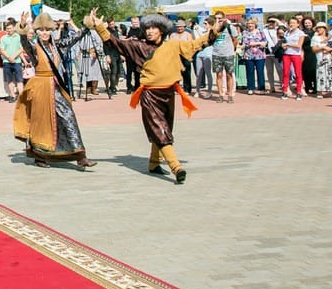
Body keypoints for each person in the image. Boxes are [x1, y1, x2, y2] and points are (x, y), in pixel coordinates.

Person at [90, 10, 217, 183]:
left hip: (168, 93)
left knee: (165, 129)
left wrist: (214, 31)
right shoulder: (137, 46)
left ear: (161, 30)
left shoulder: (173, 45)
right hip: (150, 94)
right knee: (160, 129)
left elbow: (194, 45)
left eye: (153, 28)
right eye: (147, 28)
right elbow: (115, 43)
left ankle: (154, 163)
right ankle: (176, 167)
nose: (149, 31)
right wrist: (99, 26)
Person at [12, 11, 95, 169]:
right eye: (41, 30)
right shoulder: (34, 48)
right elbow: (24, 42)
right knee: (40, 122)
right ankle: (39, 156)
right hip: (40, 87)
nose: (44, 33)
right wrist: (22, 27)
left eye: (47, 29)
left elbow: (75, 37)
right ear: (37, 31)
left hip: (56, 86)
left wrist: (87, 26)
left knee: (68, 116)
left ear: (52, 30)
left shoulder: (58, 46)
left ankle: (80, 155)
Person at [210, 13, 240, 103]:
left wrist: (232, 49)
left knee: (229, 75)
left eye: (219, 18)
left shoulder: (229, 27)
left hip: (228, 54)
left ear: (224, 18)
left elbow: (235, 39)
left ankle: (230, 95)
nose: (218, 20)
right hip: (216, 54)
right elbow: (210, 39)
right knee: (218, 75)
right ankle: (220, 95)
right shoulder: (213, 28)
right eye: (216, 18)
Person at [311, 23, 332, 97]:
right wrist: (322, 48)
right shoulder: (315, 38)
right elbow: (314, 49)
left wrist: (331, 49)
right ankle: (320, 92)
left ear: (324, 29)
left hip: (331, 58)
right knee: (321, 74)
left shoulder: (331, 37)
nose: (318, 29)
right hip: (321, 58)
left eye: (320, 28)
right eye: (317, 28)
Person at [280, 17, 306, 100]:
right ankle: (285, 91)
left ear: (298, 24)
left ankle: (299, 91)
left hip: (296, 55)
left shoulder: (300, 33)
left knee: (298, 73)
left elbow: (299, 45)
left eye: (294, 23)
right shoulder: (287, 32)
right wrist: (283, 46)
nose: (292, 24)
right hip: (287, 54)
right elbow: (284, 42)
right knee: (286, 73)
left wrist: (288, 44)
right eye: (290, 23)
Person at [240, 19, 268, 93]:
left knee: (260, 72)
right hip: (248, 55)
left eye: (251, 23)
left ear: (255, 24)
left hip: (260, 55)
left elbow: (265, 42)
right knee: (250, 72)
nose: (250, 25)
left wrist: (255, 43)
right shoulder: (245, 32)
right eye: (248, 23)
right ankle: (251, 88)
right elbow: (246, 43)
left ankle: (261, 88)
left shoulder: (260, 32)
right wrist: (258, 43)